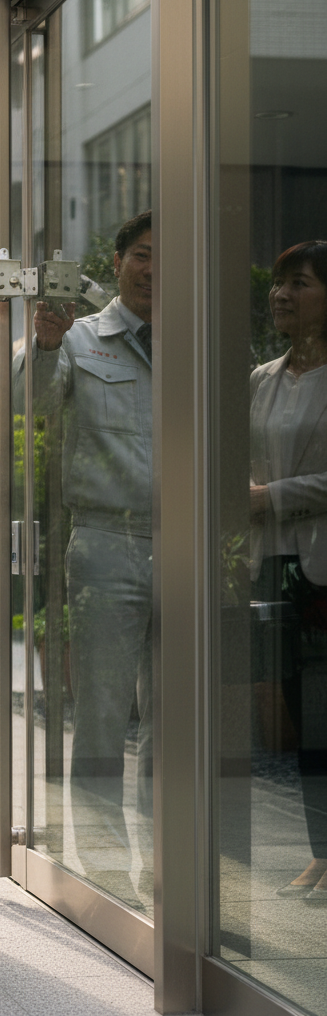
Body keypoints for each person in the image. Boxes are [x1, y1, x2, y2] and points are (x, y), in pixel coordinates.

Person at [16, 210, 154, 908]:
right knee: (101, 713)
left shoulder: (200, 338)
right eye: (143, 254)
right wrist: (44, 343)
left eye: (169, 257)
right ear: (119, 261)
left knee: (175, 719)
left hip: (189, 544)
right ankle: (103, 871)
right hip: (105, 542)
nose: (154, 269)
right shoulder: (80, 338)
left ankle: (171, 868)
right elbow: (30, 402)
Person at [250, 240, 327, 902]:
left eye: (299, 283)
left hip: (323, 567)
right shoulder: (262, 378)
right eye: (279, 283)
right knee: (304, 716)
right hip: (274, 565)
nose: (281, 294)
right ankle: (320, 853)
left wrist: (269, 497)